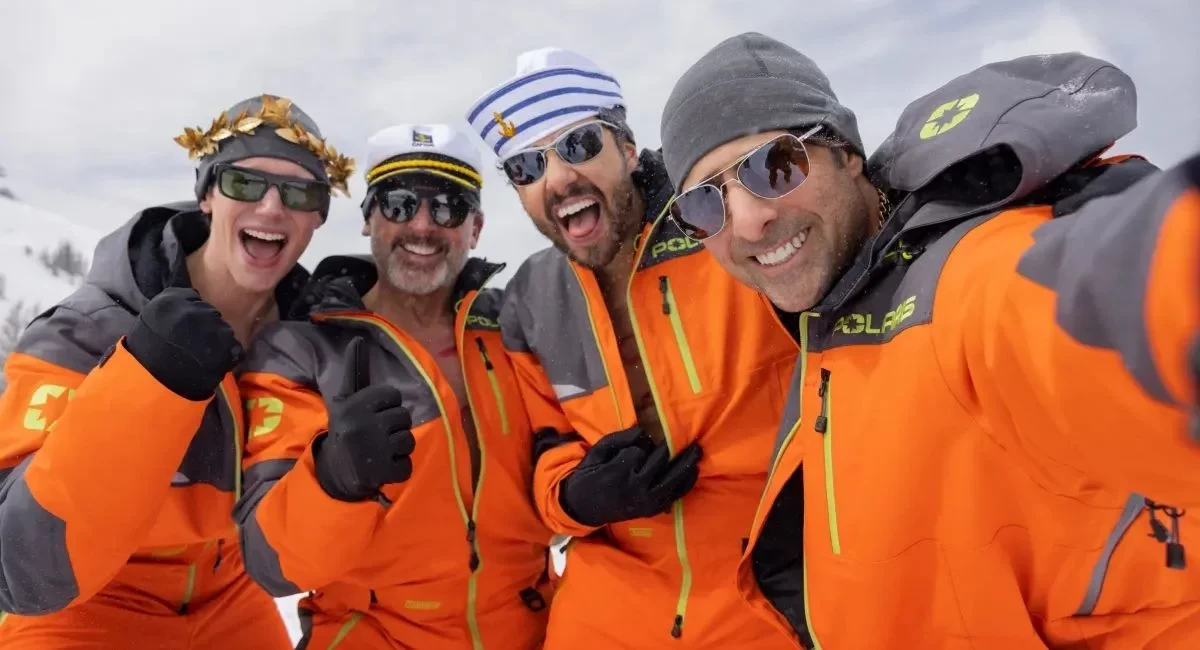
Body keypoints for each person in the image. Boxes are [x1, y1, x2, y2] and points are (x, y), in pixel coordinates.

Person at [660, 31, 1200, 648]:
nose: (748, 221)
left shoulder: (959, 281)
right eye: (704, 205)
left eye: (773, 167)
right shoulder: (829, 306)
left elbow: (1100, 296)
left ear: (845, 153)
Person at [463, 47, 799, 649]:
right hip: (610, 604)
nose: (556, 179)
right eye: (525, 166)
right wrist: (577, 498)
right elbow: (545, 448)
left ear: (627, 147)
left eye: (578, 144)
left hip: (769, 586)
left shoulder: (725, 224)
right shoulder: (531, 297)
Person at [0, 93, 351, 648]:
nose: (270, 208)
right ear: (208, 195)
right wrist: (149, 381)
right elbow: (20, 566)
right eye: (244, 183)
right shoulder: (84, 332)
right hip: (88, 604)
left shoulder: (315, 340)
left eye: (300, 193)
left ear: (317, 218)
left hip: (232, 596)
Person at [234, 123, 555, 649]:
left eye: (448, 208)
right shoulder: (302, 349)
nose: (422, 226)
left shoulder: (515, 329)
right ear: (368, 219)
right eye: (400, 204)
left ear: (475, 228)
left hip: (534, 629)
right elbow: (272, 563)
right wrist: (333, 480)